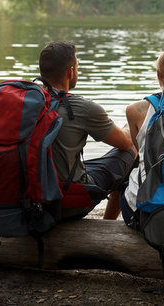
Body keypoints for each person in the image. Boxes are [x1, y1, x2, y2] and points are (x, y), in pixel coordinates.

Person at [38, 40, 137, 221]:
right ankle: (109, 225)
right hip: (63, 205)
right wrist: (133, 121)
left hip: (25, 200)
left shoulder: (25, 103)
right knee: (132, 152)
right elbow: (126, 142)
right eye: (77, 66)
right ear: (70, 72)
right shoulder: (82, 108)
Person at [119, 45, 164, 227]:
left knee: (126, 173)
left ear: (159, 75)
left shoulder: (135, 111)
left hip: (151, 213)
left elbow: (141, 152)